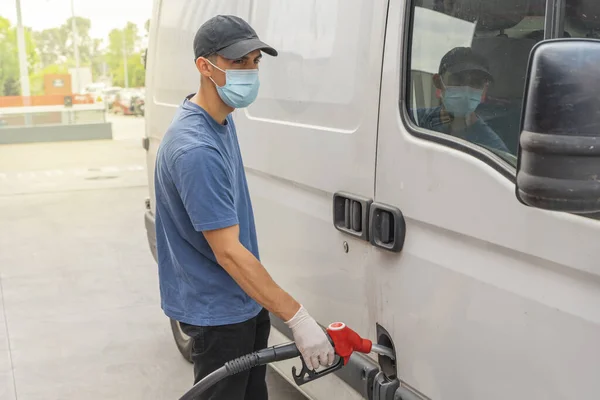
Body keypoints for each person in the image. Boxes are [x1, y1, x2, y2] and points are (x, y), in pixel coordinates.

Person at [153, 15, 335, 400]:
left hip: (241, 304)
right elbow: (229, 253)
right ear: (205, 66)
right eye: (238, 62)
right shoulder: (195, 149)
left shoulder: (218, 119)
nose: (250, 71)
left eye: (255, 61)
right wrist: (298, 318)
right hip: (218, 316)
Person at [415, 47, 509, 153]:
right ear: (438, 82)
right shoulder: (412, 122)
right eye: (457, 79)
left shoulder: (493, 151)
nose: (466, 90)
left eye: (476, 83)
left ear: (483, 90)